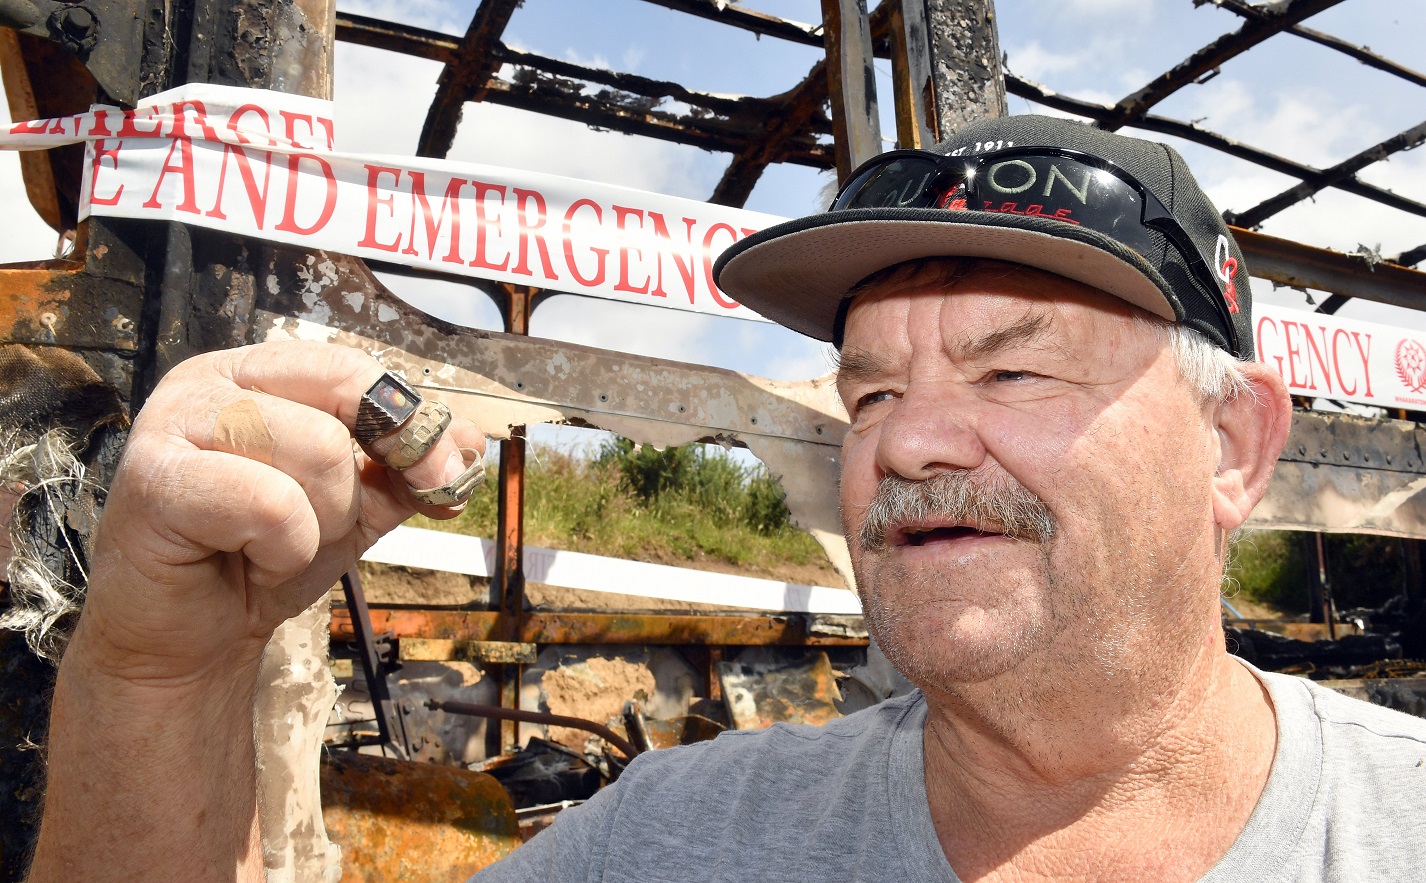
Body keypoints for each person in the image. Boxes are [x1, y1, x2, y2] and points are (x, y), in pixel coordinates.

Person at [24, 115, 1426, 882]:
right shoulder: (675, 844)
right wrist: (156, 678)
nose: (909, 443)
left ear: (1233, 445)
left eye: (1011, 371)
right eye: (867, 393)